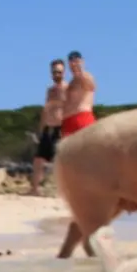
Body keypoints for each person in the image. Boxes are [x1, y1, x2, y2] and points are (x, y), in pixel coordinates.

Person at [30, 58, 66, 196]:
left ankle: (62, 190)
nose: (56, 74)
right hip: (47, 129)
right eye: (54, 72)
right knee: (38, 159)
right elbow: (46, 109)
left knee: (60, 161)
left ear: (64, 72)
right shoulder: (50, 90)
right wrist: (41, 129)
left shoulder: (67, 89)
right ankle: (35, 189)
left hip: (59, 128)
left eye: (59, 72)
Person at [61, 50, 97, 138]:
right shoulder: (70, 83)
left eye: (76, 61)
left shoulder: (86, 76)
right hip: (67, 123)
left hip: (82, 118)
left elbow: (92, 86)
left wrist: (80, 70)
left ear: (82, 62)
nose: (74, 64)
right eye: (71, 61)